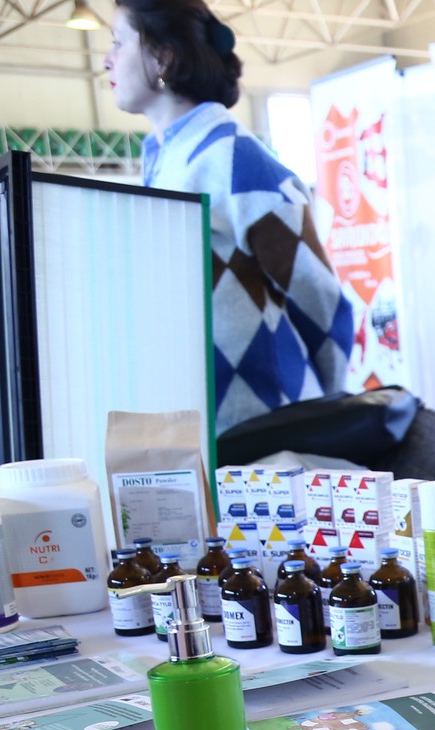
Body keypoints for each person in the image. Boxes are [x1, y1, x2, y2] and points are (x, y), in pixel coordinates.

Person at [104, 0, 354, 433]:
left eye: (118, 43)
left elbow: (319, 298)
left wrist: (322, 408)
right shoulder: (168, 159)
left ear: (163, 57)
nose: (107, 60)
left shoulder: (230, 156)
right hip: (208, 430)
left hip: (266, 437)